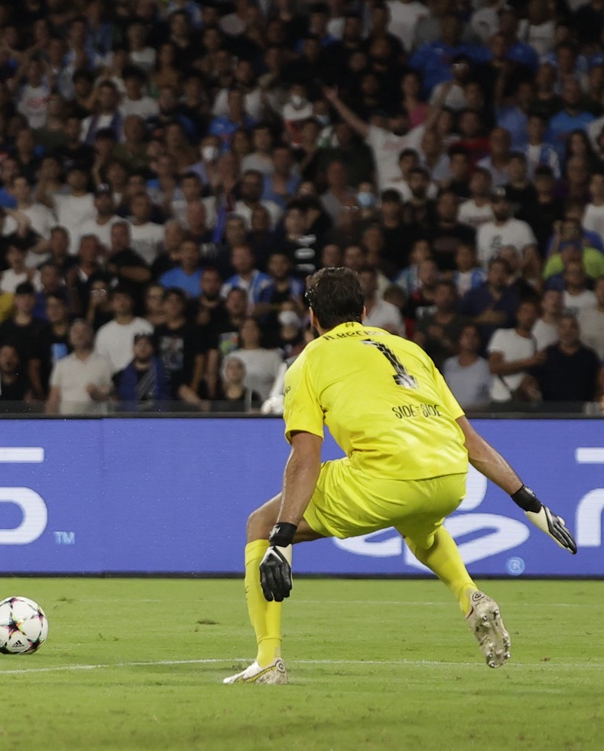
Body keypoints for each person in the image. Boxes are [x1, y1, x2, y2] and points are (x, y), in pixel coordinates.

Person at [226, 267, 577, 685]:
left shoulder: (309, 361)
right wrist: (532, 504)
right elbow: (472, 441)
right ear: (364, 310)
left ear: (312, 317)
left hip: (386, 477)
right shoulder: (410, 349)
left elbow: (305, 458)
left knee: (259, 524)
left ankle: (267, 659)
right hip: (449, 475)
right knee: (420, 528)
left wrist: (281, 537)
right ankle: (469, 595)